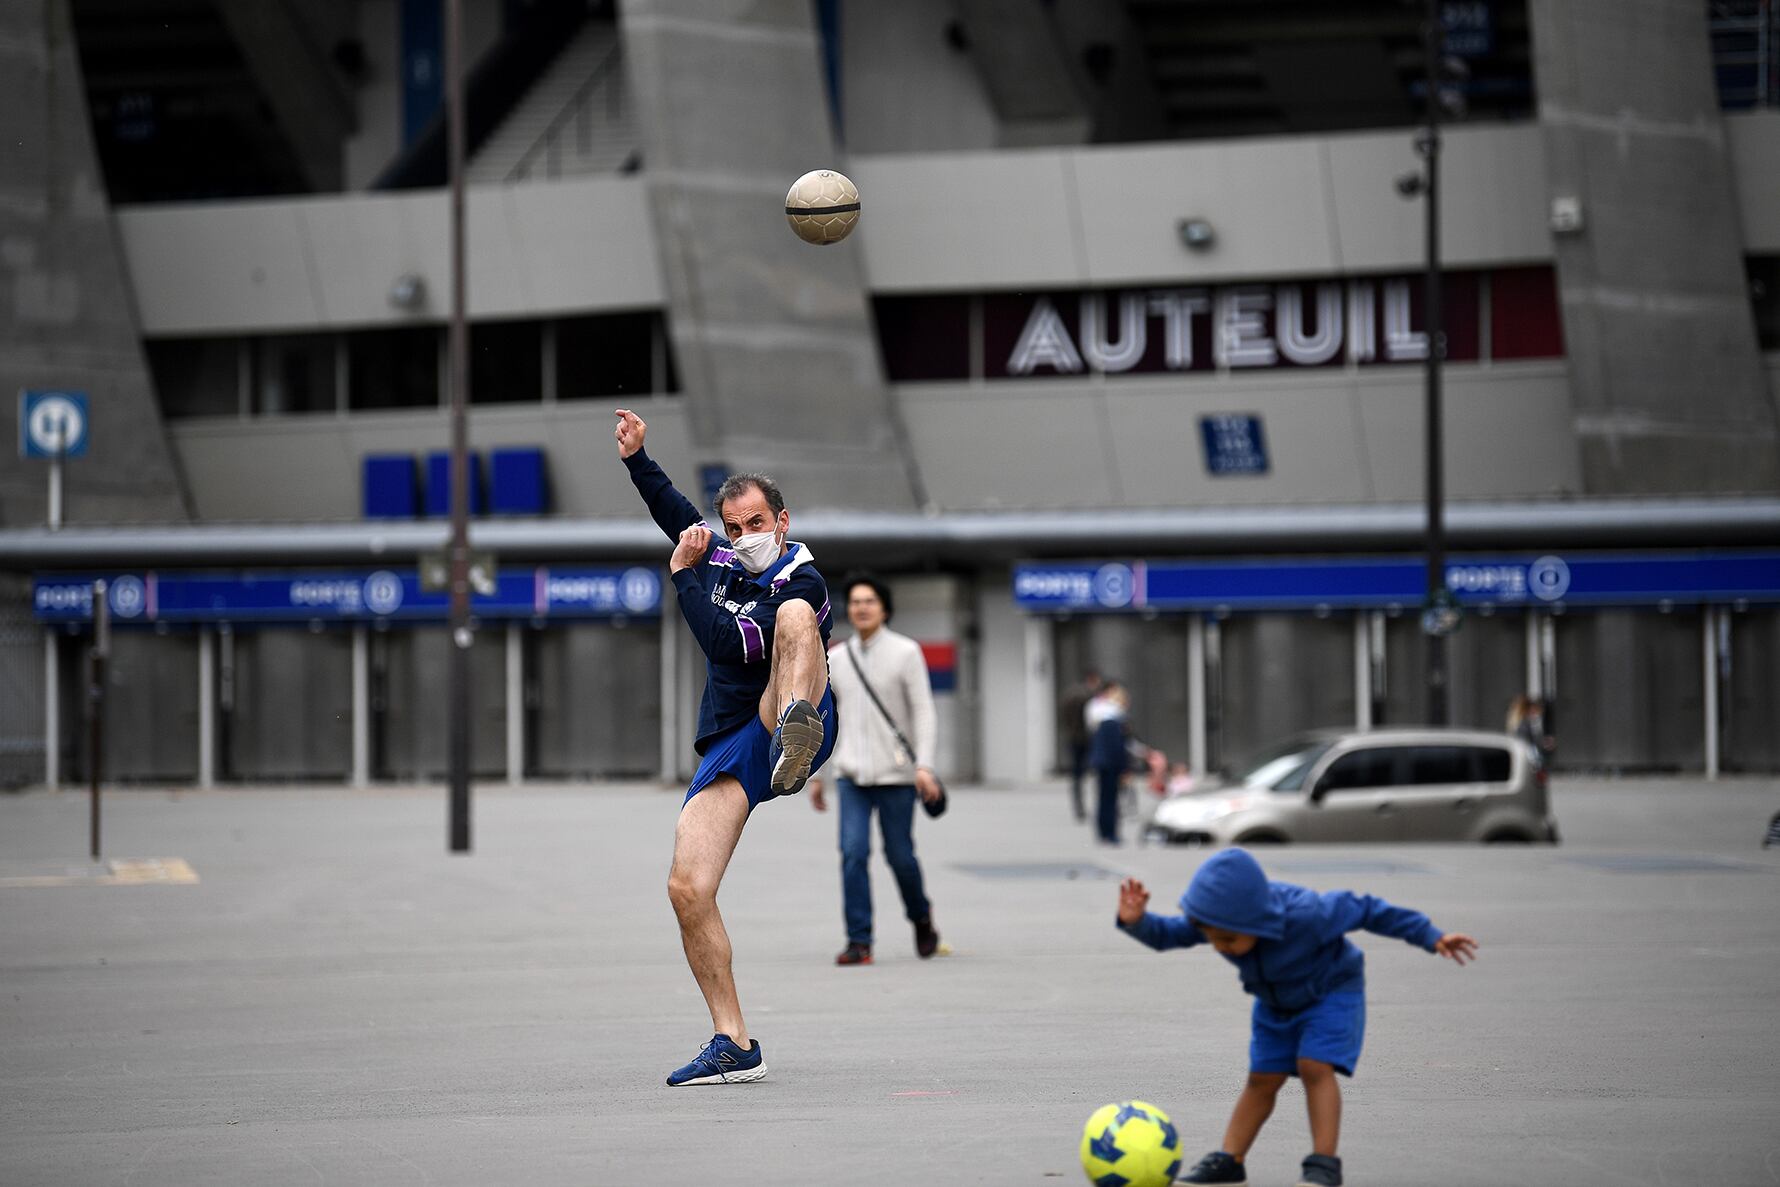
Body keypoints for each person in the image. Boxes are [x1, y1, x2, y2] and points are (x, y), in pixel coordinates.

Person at [614, 407, 838, 1087]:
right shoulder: (717, 554)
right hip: (728, 741)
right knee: (688, 887)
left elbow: (724, 642)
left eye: (756, 525)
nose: (744, 539)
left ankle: (797, 739)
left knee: (796, 622)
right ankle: (734, 1041)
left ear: (783, 521)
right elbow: (676, 515)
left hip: (786, 708)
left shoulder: (801, 579)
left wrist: (681, 578)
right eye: (733, 528)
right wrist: (637, 458)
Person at [1115, 849, 1479, 1187]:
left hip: (1331, 992)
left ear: (1254, 920)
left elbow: (1369, 909)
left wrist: (1431, 936)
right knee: (1262, 1078)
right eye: (1213, 940)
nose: (1221, 947)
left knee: (1314, 1065)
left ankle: (1323, 1163)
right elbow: (1167, 935)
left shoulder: (1310, 915)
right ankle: (1230, 1158)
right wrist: (1136, 922)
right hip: (1274, 1003)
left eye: (1227, 939)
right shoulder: (1218, 920)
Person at [807, 572, 944, 966]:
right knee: (852, 853)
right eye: (855, 601)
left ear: (884, 609)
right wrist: (816, 775)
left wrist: (926, 766)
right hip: (851, 776)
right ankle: (859, 941)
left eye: (869, 601)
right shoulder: (835, 657)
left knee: (900, 855)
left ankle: (921, 917)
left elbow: (924, 713)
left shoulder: (905, 652)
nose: (861, 607)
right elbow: (822, 717)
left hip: (897, 776)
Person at [1086, 680, 1132, 844]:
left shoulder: (1100, 717)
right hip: (1111, 764)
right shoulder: (1114, 721)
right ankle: (1111, 833)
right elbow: (1118, 748)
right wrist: (1125, 768)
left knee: (1103, 798)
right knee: (1111, 800)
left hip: (1101, 762)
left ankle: (1103, 831)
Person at [1059, 670, 1103, 821]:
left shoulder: (1070, 695)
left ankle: (1079, 807)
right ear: (1093, 680)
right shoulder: (1090, 698)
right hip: (1088, 739)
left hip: (1073, 738)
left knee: (1077, 775)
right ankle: (1096, 806)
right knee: (1097, 772)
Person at [1506, 694, 1554, 761]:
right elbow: (1529, 744)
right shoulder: (1523, 725)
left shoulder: (1519, 723)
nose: (1537, 715)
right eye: (1535, 711)